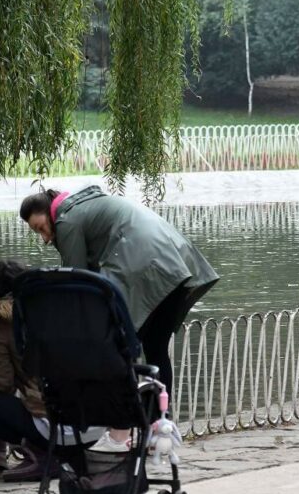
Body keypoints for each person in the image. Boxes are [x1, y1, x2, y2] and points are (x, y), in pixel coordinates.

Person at [19, 186, 219, 451]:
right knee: (155, 348)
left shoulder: (67, 219)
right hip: (174, 259)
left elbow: (76, 280)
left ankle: (118, 433)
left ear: (49, 212)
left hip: (148, 265)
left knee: (116, 346)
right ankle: (161, 426)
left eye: (41, 227)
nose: (44, 238)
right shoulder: (85, 205)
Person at [0, 260, 102, 482]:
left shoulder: (4, 323)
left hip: (55, 429)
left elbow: (2, 383)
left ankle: (41, 453)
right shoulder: (60, 309)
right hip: (97, 424)